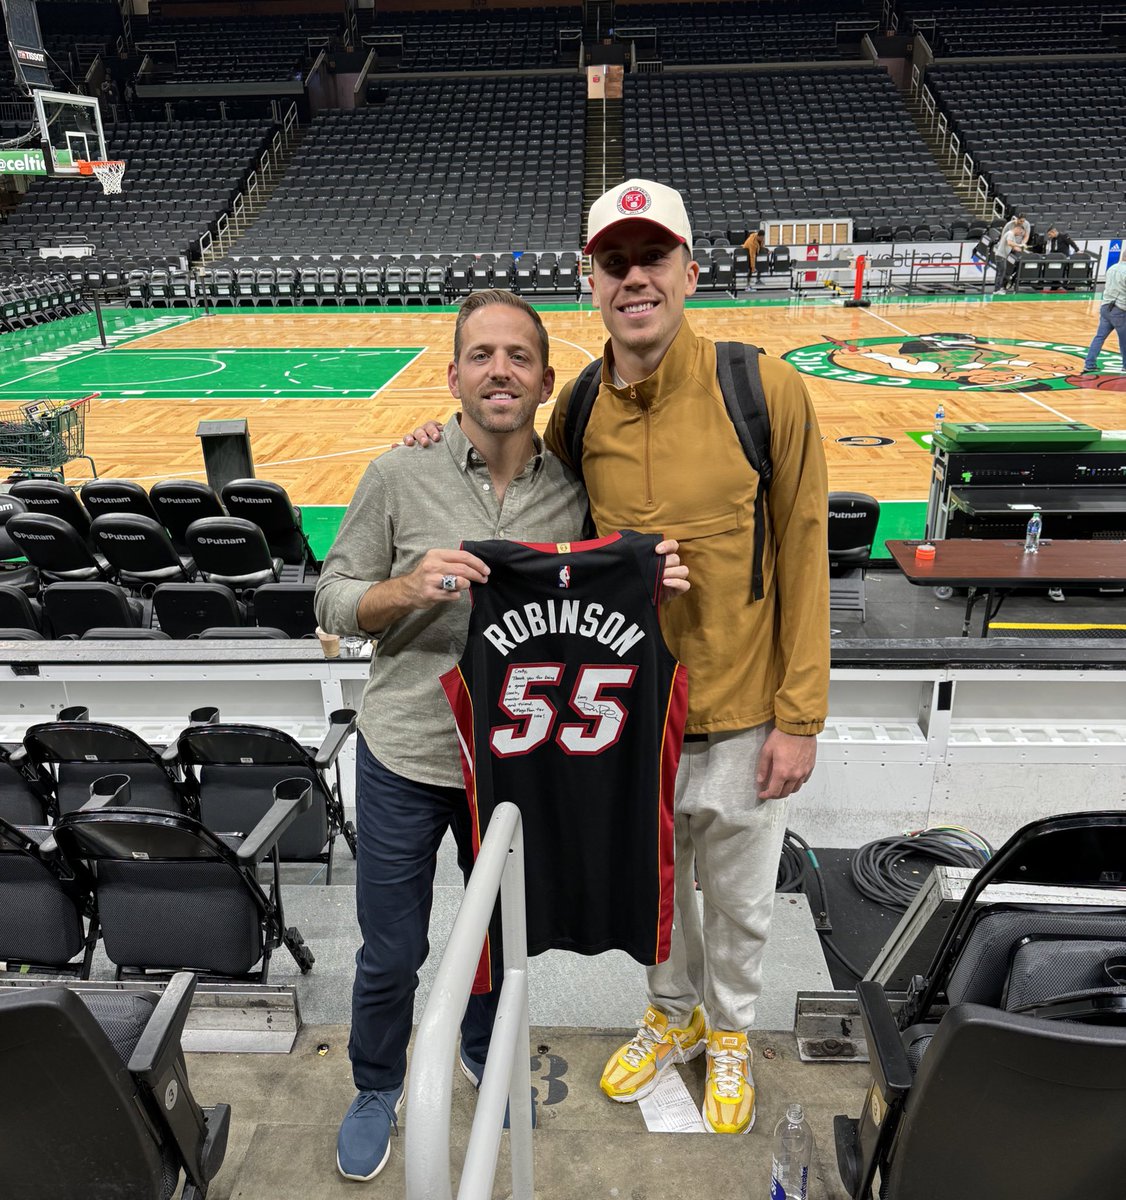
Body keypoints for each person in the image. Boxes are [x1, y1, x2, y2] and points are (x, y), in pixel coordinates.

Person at [408, 179, 829, 1135]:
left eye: (651, 259)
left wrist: (801, 717)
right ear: (592, 283)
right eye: (614, 263)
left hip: (744, 708)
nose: (634, 278)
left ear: (688, 269)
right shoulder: (583, 405)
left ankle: (731, 1037)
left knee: (741, 905)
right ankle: (670, 1017)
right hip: (629, 713)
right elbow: (528, 492)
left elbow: (806, 548)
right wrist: (439, 444)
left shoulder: (763, 390)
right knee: (657, 893)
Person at [315, 289, 687, 1181]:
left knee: (499, 936)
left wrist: (655, 582)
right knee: (392, 947)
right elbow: (330, 603)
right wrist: (409, 587)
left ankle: (482, 1048)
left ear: (547, 380)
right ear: (451, 375)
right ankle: (377, 1084)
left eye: (519, 356)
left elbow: (603, 595)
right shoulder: (396, 475)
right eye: (481, 355)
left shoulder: (572, 491)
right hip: (406, 752)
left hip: (518, 763)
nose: (500, 371)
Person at [1081, 257, 1126, 377]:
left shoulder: (1112, 268)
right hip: (1120, 309)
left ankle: (1089, 364)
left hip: (1106, 307)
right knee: (1124, 340)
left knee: (1099, 337)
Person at [994, 221, 1029, 292]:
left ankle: (997, 289)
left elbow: (1013, 247)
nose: (1020, 235)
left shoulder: (1012, 235)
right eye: (1021, 233)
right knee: (1001, 274)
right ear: (1018, 229)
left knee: (1000, 273)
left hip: (1002, 256)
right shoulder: (1010, 234)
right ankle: (997, 290)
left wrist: (1023, 250)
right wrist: (1020, 245)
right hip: (1001, 256)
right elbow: (1009, 243)